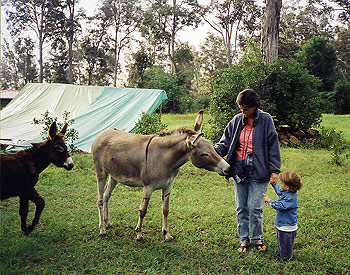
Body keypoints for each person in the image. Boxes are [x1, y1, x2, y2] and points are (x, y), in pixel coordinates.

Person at [214, 88, 281, 253]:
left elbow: (273, 146)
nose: (242, 112)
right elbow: (225, 143)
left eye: (245, 109)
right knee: (241, 207)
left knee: (255, 207)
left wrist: (275, 170)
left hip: (260, 169)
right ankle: (244, 239)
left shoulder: (266, 120)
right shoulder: (237, 120)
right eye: (240, 108)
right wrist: (210, 152)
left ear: (254, 106)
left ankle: (257, 239)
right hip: (239, 169)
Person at [263, 171, 302, 261]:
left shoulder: (290, 198)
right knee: (282, 241)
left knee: (286, 242)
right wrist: (274, 185)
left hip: (287, 226)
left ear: (288, 187)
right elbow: (280, 192)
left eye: (281, 183)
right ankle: (283, 253)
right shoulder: (288, 192)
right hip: (283, 225)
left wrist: (269, 201)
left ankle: (286, 257)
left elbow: (280, 206)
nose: (280, 184)